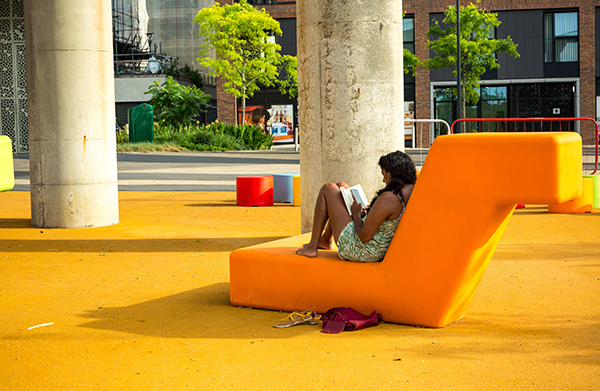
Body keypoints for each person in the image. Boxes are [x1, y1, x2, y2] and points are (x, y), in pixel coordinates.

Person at [296, 151, 416, 262]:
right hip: (377, 247)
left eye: (384, 174)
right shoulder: (409, 190)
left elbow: (363, 236)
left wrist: (356, 214)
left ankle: (312, 247)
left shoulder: (389, 198)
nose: (384, 180)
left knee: (328, 189)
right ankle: (325, 239)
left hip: (362, 250)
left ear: (393, 173)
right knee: (341, 185)